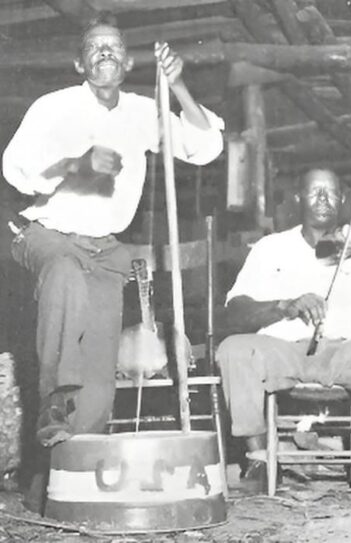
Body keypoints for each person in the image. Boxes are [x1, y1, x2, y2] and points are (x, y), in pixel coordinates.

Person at [2, 14, 224, 448]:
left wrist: (178, 86)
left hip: (106, 253)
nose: (105, 51)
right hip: (47, 236)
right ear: (79, 64)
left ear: (127, 63)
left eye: (115, 46)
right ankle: (54, 400)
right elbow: (16, 170)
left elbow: (204, 148)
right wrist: (74, 164)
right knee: (64, 274)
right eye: (94, 46)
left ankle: (67, 473)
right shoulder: (52, 107)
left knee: (98, 388)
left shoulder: (143, 111)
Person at [217, 168, 351, 503]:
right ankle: (259, 462)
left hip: (344, 350)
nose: (322, 199)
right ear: (298, 197)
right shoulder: (271, 247)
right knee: (234, 349)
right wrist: (284, 306)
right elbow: (235, 310)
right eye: (314, 191)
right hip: (282, 349)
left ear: (342, 200)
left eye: (330, 192)